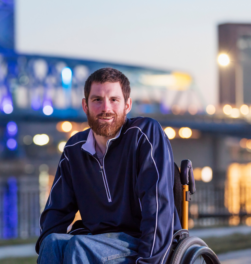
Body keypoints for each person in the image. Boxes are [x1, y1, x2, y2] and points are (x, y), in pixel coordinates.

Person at [36, 68, 181, 263]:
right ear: (85, 105)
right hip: (98, 241)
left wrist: (150, 262)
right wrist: (49, 250)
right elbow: (57, 211)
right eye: (97, 100)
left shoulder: (144, 134)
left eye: (114, 99)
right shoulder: (74, 149)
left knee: (79, 248)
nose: (106, 108)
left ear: (127, 105)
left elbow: (158, 207)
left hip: (140, 241)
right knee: (52, 242)